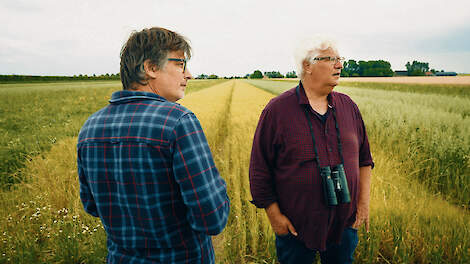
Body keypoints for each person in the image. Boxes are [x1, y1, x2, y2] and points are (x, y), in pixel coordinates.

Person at [77, 27, 230, 264]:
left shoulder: (90, 127)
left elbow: (92, 206)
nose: (189, 74)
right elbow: (212, 218)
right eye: (180, 64)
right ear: (150, 68)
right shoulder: (178, 122)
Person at [249, 36, 374, 264]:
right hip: (295, 229)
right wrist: (275, 218)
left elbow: (364, 160)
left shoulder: (349, 107)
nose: (340, 65)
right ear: (307, 65)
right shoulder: (277, 111)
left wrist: (363, 206)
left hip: (344, 227)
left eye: (340, 59)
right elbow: (259, 170)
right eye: (331, 59)